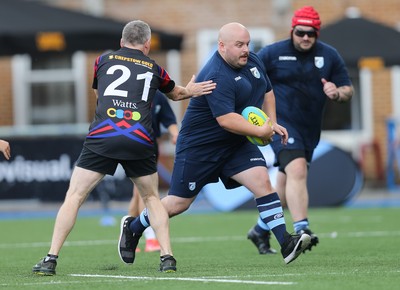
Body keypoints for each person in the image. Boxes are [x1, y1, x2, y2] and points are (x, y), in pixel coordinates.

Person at [118, 22, 311, 268]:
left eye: (248, 44)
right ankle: (133, 227)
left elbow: (268, 92)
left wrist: (271, 123)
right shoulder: (216, 74)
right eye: (239, 45)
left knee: (262, 181)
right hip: (200, 147)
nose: (246, 50)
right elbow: (226, 120)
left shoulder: (253, 60)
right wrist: (261, 131)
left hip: (234, 143)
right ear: (221, 46)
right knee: (178, 203)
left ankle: (285, 242)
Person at [32, 20, 216, 275]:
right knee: (151, 198)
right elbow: (176, 94)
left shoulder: (102, 61)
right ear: (147, 45)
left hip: (103, 136)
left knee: (74, 196)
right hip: (139, 138)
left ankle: (51, 258)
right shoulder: (154, 67)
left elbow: (100, 94)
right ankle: (167, 258)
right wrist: (192, 90)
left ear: (121, 42)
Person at [247, 6, 354, 254]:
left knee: (286, 188)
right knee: (296, 169)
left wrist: (337, 93)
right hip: (280, 125)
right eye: (301, 32)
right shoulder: (273, 53)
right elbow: (249, 77)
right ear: (292, 30)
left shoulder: (329, 56)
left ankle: (260, 230)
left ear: (317, 34)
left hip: (310, 129)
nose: (306, 37)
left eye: (311, 33)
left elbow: (349, 89)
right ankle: (303, 228)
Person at [128, 90, 178, 252]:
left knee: (139, 192)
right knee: (146, 191)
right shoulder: (128, 92)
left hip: (151, 146)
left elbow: (169, 119)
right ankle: (150, 238)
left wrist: (175, 134)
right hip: (133, 143)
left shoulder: (157, 96)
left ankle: (128, 234)